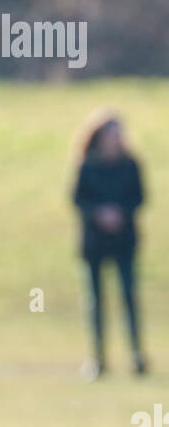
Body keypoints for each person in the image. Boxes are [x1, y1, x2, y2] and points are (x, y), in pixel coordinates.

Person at [72, 110, 147, 378]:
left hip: (124, 241)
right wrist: (99, 214)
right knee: (95, 302)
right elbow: (79, 199)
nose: (117, 139)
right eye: (112, 133)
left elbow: (139, 197)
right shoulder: (88, 166)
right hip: (94, 243)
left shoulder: (130, 165)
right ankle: (98, 359)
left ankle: (137, 356)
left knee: (129, 298)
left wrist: (120, 214)